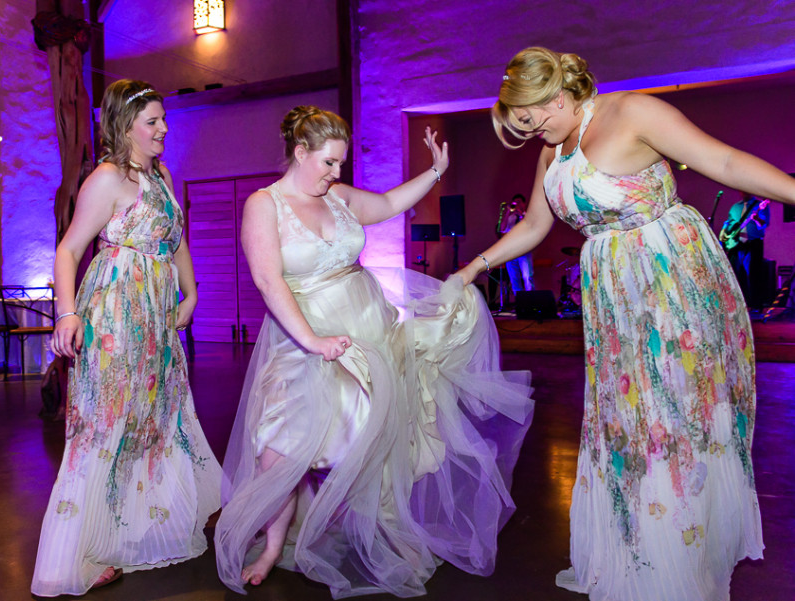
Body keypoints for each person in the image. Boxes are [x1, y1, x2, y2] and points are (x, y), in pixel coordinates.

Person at [457, 47, 795, 601]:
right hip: (614, 298)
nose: (530, 133)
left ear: (559, 97)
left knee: (675, 415)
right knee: (628, 420)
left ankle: (680, 561)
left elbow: (727, 163)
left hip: (672, 281)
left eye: (532, 119)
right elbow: (536, 225)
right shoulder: (554, 149)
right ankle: (638, 550)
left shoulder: (634, 113)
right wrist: (476, 265)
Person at [214, 106, 534, 598]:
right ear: (300, 153)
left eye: (340, 163)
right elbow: (267, 278)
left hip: (365, 325)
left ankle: (384, 527)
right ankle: (273, 545)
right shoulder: (265, 204)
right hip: (304, 333)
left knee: (373, 438)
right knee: (280, 451)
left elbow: (386, 204)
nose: (335, 173)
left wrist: (435, 171)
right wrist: (313, 341)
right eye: (327, 162)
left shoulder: (338, 196)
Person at [32, 80, 222, 596]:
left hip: (156, 320)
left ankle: (134, 532)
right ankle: (78, 553)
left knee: (152, 419)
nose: (163, 129)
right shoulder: (107, 179)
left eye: (163, 120)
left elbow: (174, 240)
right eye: (152, 122)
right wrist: (66, 314)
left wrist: (192, 292)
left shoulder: (161, 174)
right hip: (115, 316)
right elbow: (69, 250)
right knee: (107, 424)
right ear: (124, 125)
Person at [720, 192, 771, 310]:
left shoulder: (760, 205)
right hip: (736, 244)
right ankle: (738, 305)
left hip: (753, 243)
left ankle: (756, 305)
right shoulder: (735, 207)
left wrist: (756, 218)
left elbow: (764, 225)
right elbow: (729, 222)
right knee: (735, 274)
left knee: (754, 274)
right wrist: (724, 230)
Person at [500, 193, 535, 292]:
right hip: (511, 251)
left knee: (527, 276)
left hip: (524, 250)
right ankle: (519, 302)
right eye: (515, 203)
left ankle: (531, 302)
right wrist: (508, 212)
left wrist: (521, 214)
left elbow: (529, 227)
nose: (516, 204)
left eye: (519, 202)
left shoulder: (529, 216)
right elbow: (502, 229)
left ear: (524, 203)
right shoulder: (511, 218)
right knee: (514, 278)